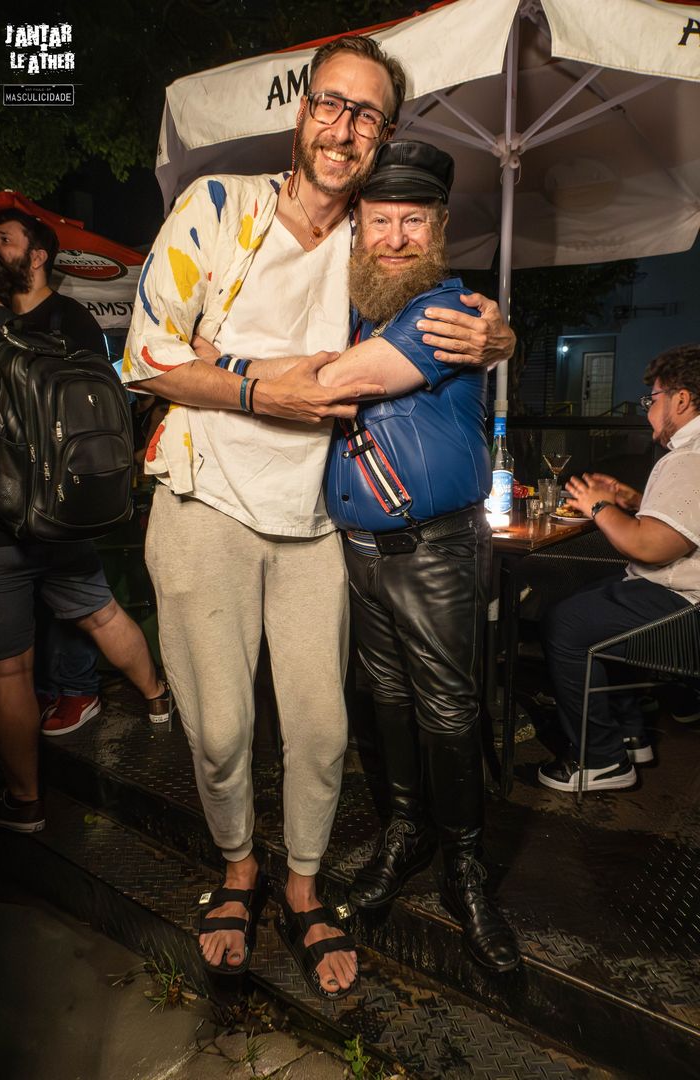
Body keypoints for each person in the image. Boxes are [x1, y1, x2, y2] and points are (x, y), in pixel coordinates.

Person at [124, 34, 515, 997]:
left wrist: (499, 330)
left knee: (324, 733)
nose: (344, 128)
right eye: (332, 105)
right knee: (221, 733)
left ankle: (300, 886)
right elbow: (145, 356)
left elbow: (432, 315)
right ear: (304, 112)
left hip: (313, 522)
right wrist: (263, 390)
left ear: (384, 134)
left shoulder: (369, 246)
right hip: (205, 498)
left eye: (367, 114)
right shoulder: (221, 207)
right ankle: (237, 869)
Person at [319, 140, 518, 973]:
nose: (395, 237)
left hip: (434, 552)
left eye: (413, 221)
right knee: (389, 701)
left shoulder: (449, 312)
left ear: (436, 231)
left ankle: (466, 867)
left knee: (447, 712)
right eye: (379, 221)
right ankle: (406, 833)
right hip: (361, 552)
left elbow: (335, 381)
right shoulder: (351, 310)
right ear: (357, 230)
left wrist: (502, 334)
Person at [0, 234, 171, 835]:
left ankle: (25, 801)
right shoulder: (38, 336)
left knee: (7, 672)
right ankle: (158, 701)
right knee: (103, 612)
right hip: (60, 515)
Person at [538, 344, 700, 793]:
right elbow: (682, 521)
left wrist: (598, 506)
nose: (648, 411)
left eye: (653, 398)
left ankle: (601, 759)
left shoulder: (690, 457)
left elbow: (650, 547)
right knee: (592, 598)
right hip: (679, 592)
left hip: (687, 607)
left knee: (567, 622)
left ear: (681, 400)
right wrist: (632, 500)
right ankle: (630, 734)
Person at [0, 208, 107, 736]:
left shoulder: (70, 319)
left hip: (62, 488)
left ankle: (79, 688)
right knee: (33, 604)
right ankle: (34, 694)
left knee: (80, 601)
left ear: (36, 256)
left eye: (4, 239)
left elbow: (96, 406)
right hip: (9, 494)